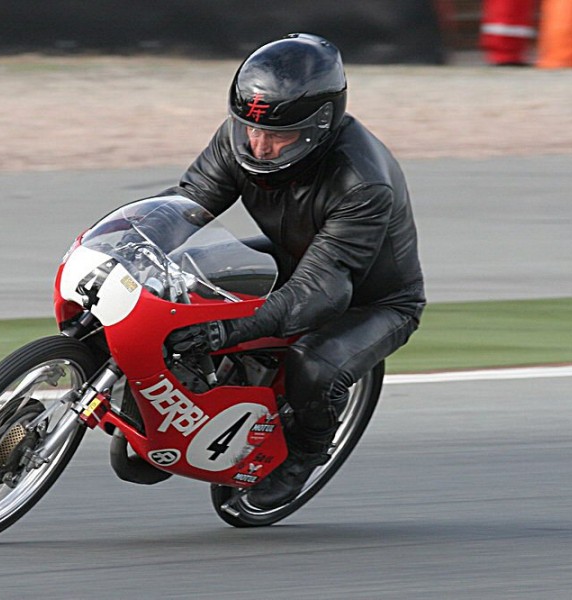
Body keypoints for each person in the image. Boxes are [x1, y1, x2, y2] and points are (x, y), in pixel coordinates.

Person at [163, 33, 426, 509]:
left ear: (319, 125)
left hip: (371, 299)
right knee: (180, 278)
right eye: (250, 130)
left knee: (312, 366)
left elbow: (320, 290)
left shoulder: (362, 183)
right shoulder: (239, 137)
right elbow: (185, 207)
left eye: (278, 135)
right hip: (290, 257)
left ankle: (305, 451)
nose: (259, 146)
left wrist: (225, 331)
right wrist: (127, 245)